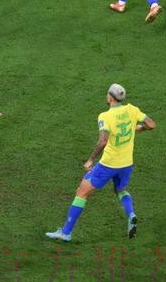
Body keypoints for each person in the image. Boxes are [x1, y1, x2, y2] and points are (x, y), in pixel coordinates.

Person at [46, 83, 155, 241]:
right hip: (126, 163)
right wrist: (137, 128)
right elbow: (151, 124)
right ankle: (131, 214)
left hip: (108, 165)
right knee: (120, 190)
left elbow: (103, 141)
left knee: (81, 192)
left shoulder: (105, 116)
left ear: (110, 97)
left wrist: (90, 160)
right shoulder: (132, 109)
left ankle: (66, 232)